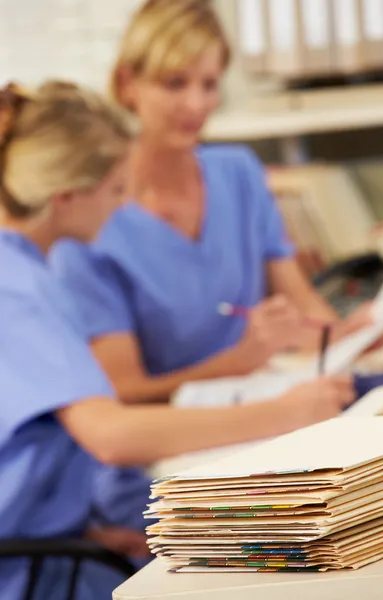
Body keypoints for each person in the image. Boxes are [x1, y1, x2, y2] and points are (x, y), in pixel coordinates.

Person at [0, 81, 354, 600]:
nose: (123, 209)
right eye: (117, 190)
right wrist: (288, 412)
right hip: (33, 576)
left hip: (59, 543)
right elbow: (112, 435)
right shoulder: (19, 291)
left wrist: (87, 532)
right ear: (66, 197)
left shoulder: (24, 272)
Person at [50, 0, 372, 407]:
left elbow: (301, 304)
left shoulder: (238, 173)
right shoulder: (90, 219)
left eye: (209, 84)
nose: (197, 105)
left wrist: (348, 334)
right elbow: (123, 391)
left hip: (265, 404)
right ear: (127, 83)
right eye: (175, 83)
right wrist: (240, 361)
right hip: (174, 439)